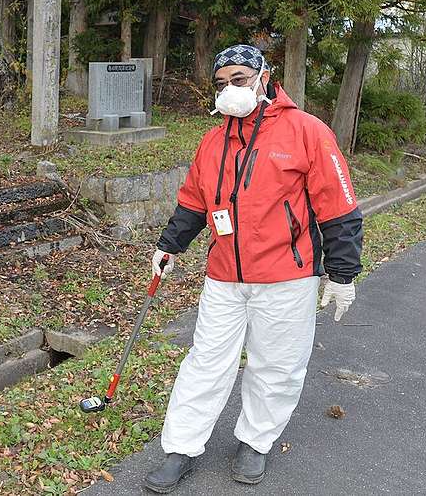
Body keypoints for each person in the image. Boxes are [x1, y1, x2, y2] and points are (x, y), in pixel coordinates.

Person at [144, 44, 363, 493]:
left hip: (287, 276)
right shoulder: (213, 140)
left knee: (276, 365)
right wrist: (169, 246)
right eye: (222, 83)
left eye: (239, 79)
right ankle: (181, 448)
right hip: (224, 275)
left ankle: (254, 442)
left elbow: (338, 208)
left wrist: (342, 274)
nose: (230, 89)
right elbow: (193, 201)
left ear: (265, 77)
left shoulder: (307, 131)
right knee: (206, 361)